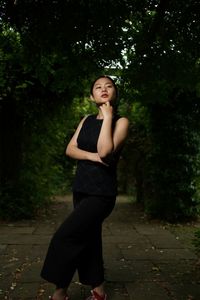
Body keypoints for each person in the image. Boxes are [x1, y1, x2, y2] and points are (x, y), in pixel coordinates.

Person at [40, 75, 129, 300]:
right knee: (88, 237)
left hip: (102, 193)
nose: (104, 89)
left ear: (115, 93)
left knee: (65, 236)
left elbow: (106, 151)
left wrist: (107, 117)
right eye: (98, 87)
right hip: (81, 188)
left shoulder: (121, 122)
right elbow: (70, 149)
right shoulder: (86, 120)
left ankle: (60, 292)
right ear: (92, 96)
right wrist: (91, 156)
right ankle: (98, 290)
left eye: (109, 86)